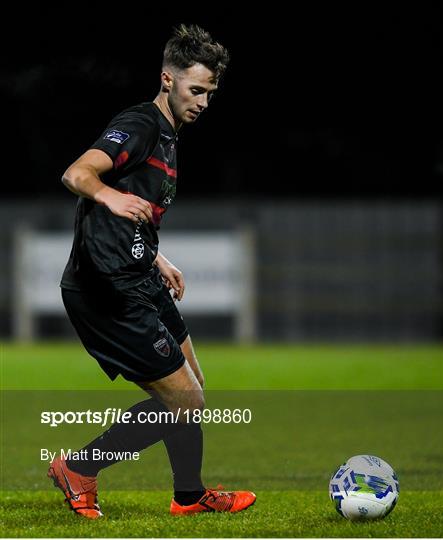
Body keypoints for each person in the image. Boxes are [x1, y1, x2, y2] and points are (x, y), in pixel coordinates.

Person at [48, 24, 256, 519]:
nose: (204, 101)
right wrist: (107, 193)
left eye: (210, 92)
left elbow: (133, 215)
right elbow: (77, 174)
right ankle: (79, 468)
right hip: (106, 289)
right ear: (168, 79)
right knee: (184, 400)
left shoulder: (168, 135)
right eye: (196, 89)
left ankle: (189, 497)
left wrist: (156, 258)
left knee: (193, 391)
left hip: (138, 275)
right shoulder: (140, 124)